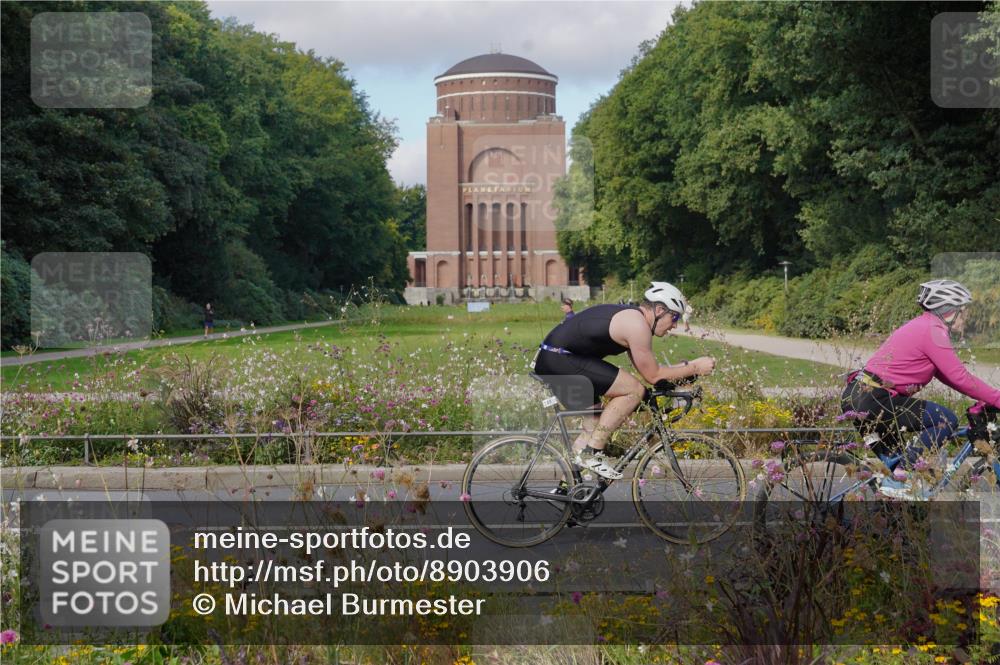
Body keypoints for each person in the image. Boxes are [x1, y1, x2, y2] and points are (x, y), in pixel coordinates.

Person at [531, 281, 716, 479]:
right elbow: (653, 376)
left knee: (593, 427)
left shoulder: (633, 319)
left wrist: (687, 371)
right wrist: (695, 367)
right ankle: (593, 453)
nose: (675, 325)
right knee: (634, 390)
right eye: (675, 317)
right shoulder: (636, 325)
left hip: (554, 359)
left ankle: (569, 488)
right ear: (660, 310)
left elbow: (653, 374)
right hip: (559, 358)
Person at [841, 279, 1000, 499]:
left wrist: (988, 398)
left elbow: (950, 377)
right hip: (875, 399)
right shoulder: (932, 331)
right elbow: (960, 377)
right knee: (945, 420)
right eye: (963, 311)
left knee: (900, 479)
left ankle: (894, 501)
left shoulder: (924, 326)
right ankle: (900, 477)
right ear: (949, 311)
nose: (966, 317)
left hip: (860, 397)